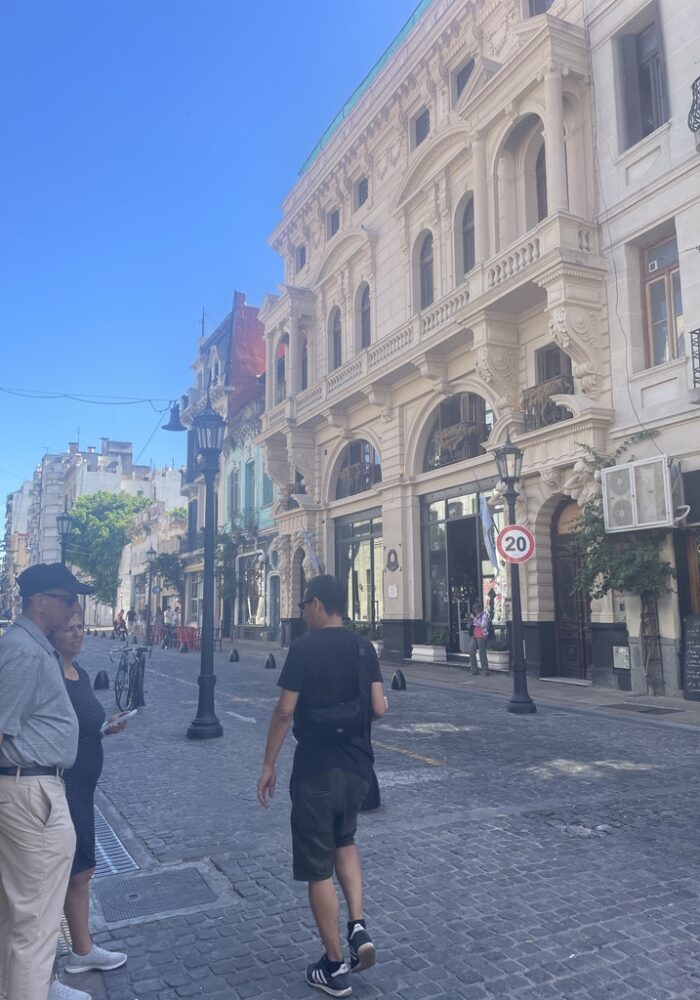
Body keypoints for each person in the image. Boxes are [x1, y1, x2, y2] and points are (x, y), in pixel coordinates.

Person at [257, 574, 386, 998]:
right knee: (345, 839)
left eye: (303, 607)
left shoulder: (303, 649)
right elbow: (379, 708)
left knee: (317, 867)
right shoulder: (364, 648)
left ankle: (333, 967)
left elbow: (284, 712)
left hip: (316, 770)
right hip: (358, 768)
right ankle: (358, 925)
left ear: (315, 604)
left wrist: (268, 765)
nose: (302, 614)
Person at [0, 563, 95, 1000]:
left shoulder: (30, 646)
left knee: (19, 919)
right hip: (31, 791)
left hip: (31, 789)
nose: (74, 608)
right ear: (40, 602)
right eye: (68, 598)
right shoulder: (24, 651)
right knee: (36, 926)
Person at [49, 611, 129, 982]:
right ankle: (44, 973)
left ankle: (82, 949)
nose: (77, 634)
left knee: (82, 870)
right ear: (51, 634)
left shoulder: (78, 673)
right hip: (62, 787)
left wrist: (106, 727)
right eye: (69, 628)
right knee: (60, 875)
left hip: (83, 788)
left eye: (80, 627)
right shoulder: (50, 676)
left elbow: (83, 727)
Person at [469, 601, 491, 676]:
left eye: (476, 609)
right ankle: (474, 669)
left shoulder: (484, 615)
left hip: (481, 634)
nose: (475, 610)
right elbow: (473, 624)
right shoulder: (475, 615)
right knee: (471, 651)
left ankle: (485, 670)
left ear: (479, 609)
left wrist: (474, 618)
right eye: (474, 609)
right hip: (474, 634)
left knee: (482, 652)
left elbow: (483, 625)